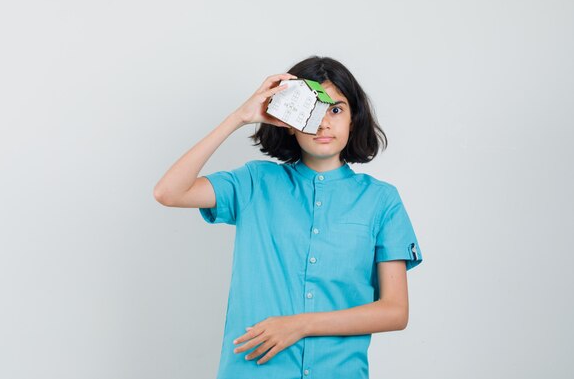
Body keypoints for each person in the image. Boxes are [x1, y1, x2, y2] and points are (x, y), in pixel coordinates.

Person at [153, 55, 424, 379]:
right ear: (289, 120)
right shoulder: (254, 182)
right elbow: (169, 192)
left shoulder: (381, 200)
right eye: (311, 111)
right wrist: (241, 117)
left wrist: (300, 325)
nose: (324, 123)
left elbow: (395, 311)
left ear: (354, 118)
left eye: (336, 109)